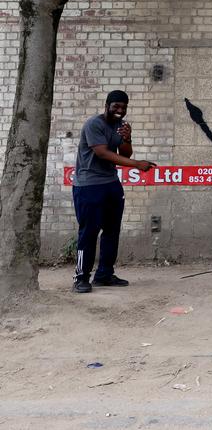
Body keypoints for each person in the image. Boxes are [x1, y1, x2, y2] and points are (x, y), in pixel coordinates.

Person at [72, 90, 156, 293]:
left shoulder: (120, 126)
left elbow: (124, 152)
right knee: (89, 232)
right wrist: (136, 164)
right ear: (107, 105)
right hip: (88, 185)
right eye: (116, 106)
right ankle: (81, 277)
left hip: (111, 183)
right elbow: (102, 153)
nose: (120, 111)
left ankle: (104, 274)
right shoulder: (94, 124)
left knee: (112, 230)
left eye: (124, 107)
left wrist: (128, 138)